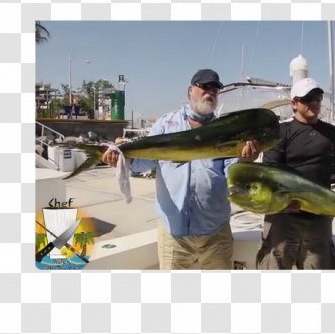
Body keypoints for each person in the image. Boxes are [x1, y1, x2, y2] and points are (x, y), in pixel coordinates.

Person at [101, 69, 261, 269]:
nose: (209, 92)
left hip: (215, 233)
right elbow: (145, 162)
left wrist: (245, 161)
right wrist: (121, 159)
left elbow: (231, 172)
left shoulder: (226, 129)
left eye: (214, 89)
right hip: (174, 236)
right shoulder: (166, 124)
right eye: (204, 87)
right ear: (190, 91)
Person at [256, 77, 335, 270]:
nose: (314, 102)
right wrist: (285, 202)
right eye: (307, 98)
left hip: (319, 218)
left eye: (317, 97)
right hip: (283, 217)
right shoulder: (281, 132)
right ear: (294, 103)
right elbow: (270, 171)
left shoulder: (332, 133)